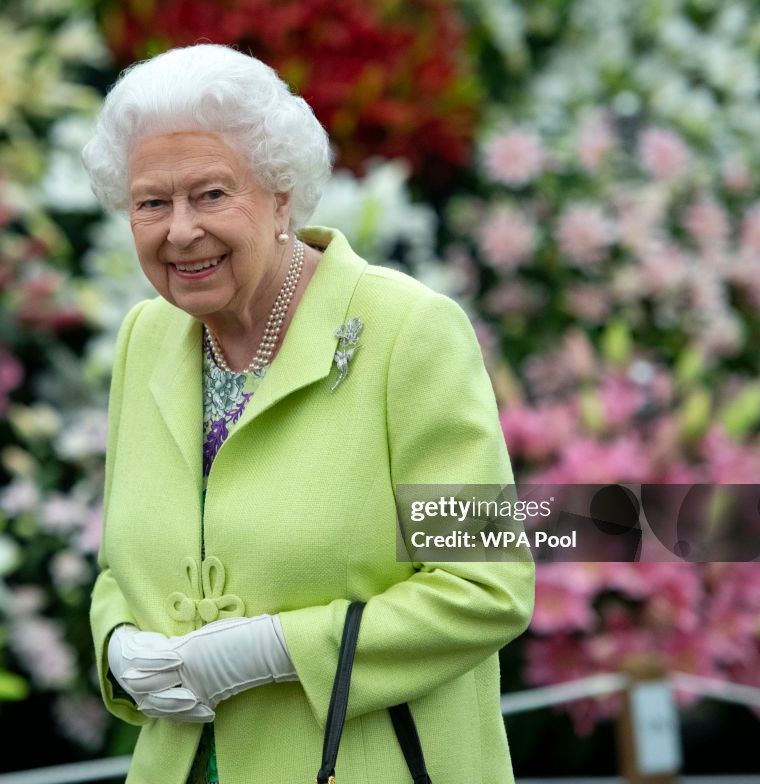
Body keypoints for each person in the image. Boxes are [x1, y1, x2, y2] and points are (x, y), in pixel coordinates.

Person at [82, 44, 534, 784]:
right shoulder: (146, 338)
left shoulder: (407, 331)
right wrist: (117, 642)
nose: (180, 231)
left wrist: (277, 650)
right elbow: (122, 567)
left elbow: (485, 586)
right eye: (151, 203)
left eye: (211, 195)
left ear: (282, 194)